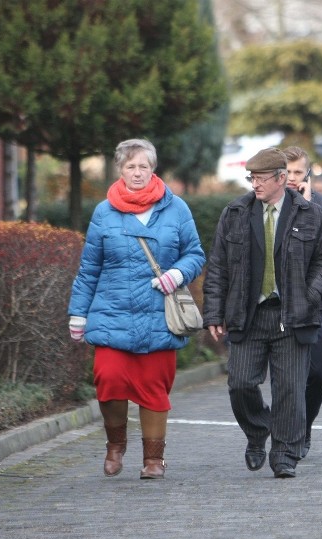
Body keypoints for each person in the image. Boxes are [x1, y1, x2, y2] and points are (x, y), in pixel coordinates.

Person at [68, 138, 205, 479]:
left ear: (153, 169)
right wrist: (78, 312)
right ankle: (115, 445)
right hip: (113, 313)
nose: (138, 172)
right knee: (109, 380)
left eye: (144, 166)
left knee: (154, 386)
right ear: (120, 170)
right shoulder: (104, 212)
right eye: (131, 166)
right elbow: (90, 269)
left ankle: (153, 460)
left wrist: (177, 273)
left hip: (159, 315)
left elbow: (195, 254)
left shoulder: (176, 209)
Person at [202, 148, 322, 479]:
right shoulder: (234, 212)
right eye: (251, 178)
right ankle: (257, 431)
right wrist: (214, 313)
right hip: (247, 314)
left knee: (291, 389)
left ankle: (285, 453)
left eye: (260, 178)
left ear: (281, 178)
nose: (254, 184)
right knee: (240, 383)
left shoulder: (310, 213)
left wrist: (309, 295)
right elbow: (218, 265)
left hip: (293, 314)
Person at [282, 146, 322, 459]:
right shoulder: (267, 204)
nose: (292, 179)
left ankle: (304, 425)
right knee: (286, 373)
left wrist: (309, 207)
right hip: (278, 301)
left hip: (317, 300)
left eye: (298, 173)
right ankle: (288, 432)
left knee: (319, 371)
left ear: (307, 175)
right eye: (288, 172)